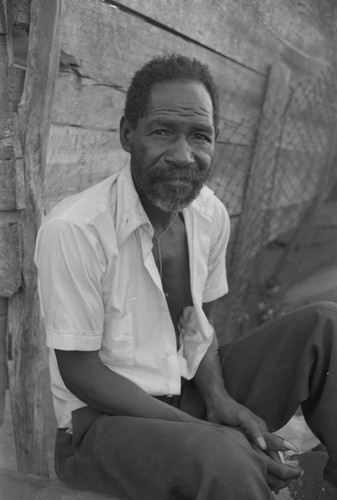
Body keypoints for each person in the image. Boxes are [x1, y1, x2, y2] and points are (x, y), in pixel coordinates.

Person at [34, 54, 337, 500]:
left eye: (200, 135)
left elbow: (198, 326)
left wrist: (219, 401)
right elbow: (81, 373)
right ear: (127, 134)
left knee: (326, 326)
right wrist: (206, 431)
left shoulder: (210, 214)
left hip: (187, 393)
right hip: (102, 426)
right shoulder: (75, 229)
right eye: (162, 131)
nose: (183, 155)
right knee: (225, 460)